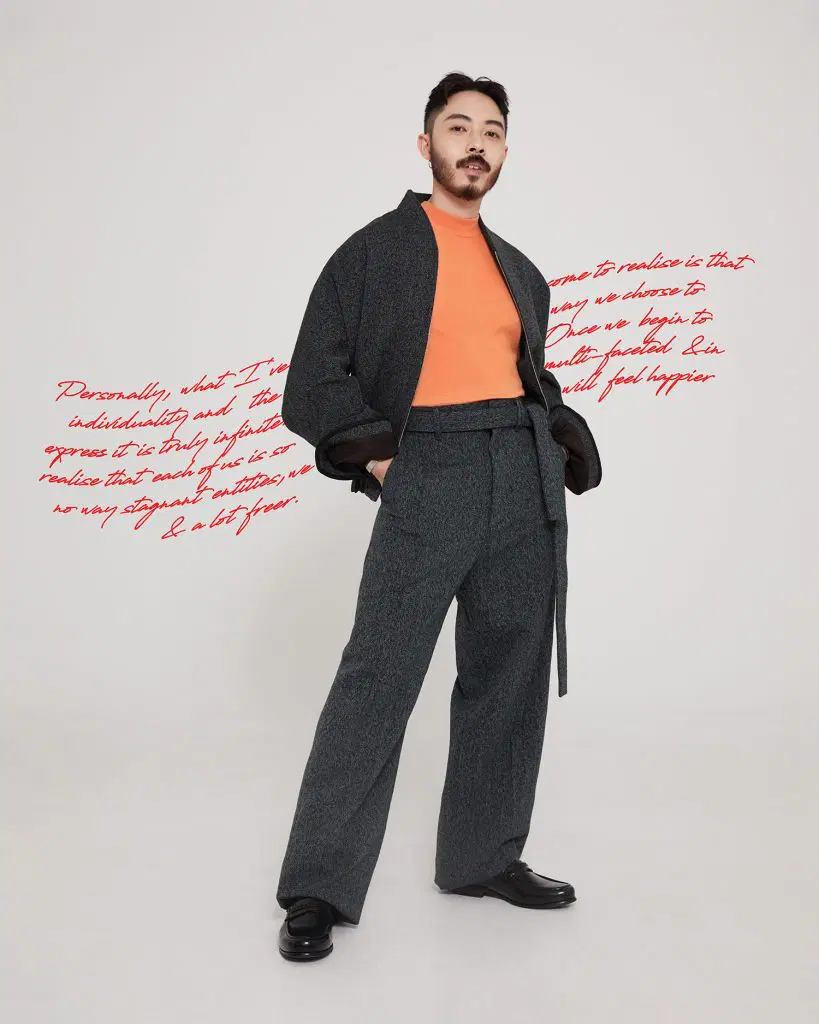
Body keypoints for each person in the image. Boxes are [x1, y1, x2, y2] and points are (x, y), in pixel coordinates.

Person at [276, 71, 602, 962]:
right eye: (458, 128)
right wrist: (383, 457)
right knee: (377, 676)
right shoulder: (372, 253)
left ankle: (481, 858)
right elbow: (313, 377)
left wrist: (558, 433)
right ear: (426, 145)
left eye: (491, 131)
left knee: (509, 671)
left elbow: (526, 372)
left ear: (504, 152)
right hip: (431, 464)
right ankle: (318, 888)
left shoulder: (520, 270)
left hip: (521, 470)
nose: (475, 144)